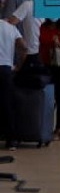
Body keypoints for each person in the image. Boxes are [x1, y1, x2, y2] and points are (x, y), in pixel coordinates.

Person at [0, 19, 23, 150]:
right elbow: (24, 47)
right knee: (7, 104)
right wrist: (18, 66)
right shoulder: (10, 28)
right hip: (6, 69)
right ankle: (11, 140)